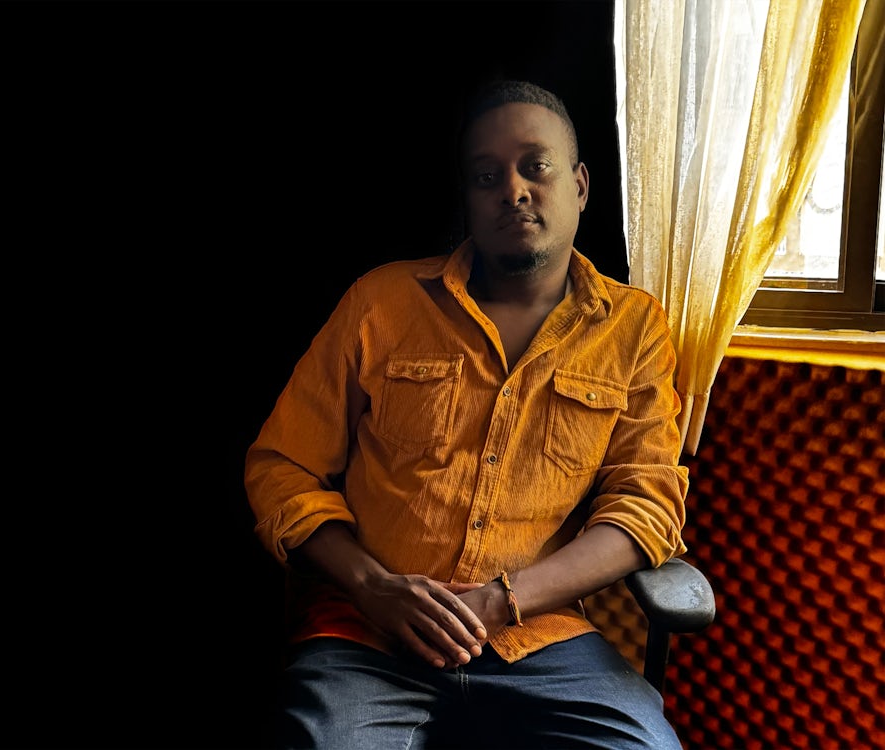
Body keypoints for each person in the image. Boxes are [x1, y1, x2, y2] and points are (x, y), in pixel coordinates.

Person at [244, 79, 689, 750]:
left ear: (580, 185)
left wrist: (501, 600)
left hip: (542, 641)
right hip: (369, 634)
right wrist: (373, 587)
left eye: (534, 167)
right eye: (487, 176)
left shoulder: (635, 328)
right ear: (469, 201)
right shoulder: (381, 302)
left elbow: (645, 508)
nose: (513, 189)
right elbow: (280, 468)